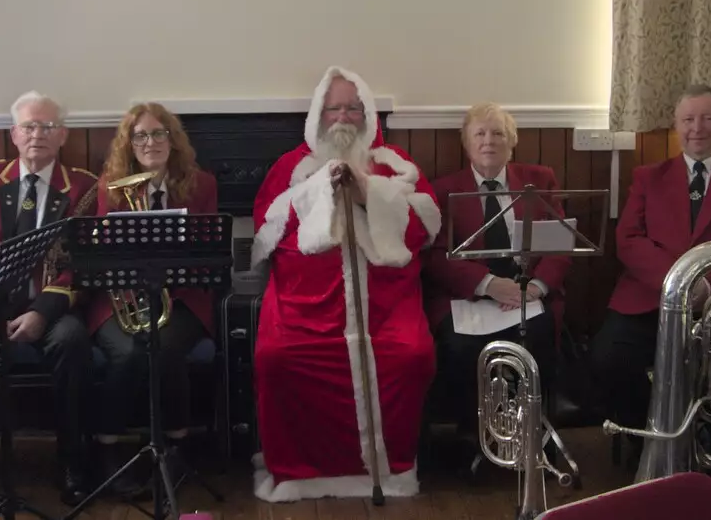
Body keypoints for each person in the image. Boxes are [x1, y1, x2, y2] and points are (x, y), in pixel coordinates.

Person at [250, 66, 441, 502]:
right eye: (333, 107)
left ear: (368, 114)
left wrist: (366, 194)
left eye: (353, 108)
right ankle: (298, 472)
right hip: (305, 306)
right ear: (318, 114)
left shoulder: (395, 164)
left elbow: (423, 227)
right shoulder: (290, 168)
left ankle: (392, 469)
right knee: (276, 359)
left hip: (386, 306)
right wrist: (321, 192)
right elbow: (269, 234)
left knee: (411, 356)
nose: (343, 117)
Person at [592, 84, 711, 465]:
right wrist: (678, 284)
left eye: (708, 118)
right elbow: (627, 239)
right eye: (688, 119)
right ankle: (649, 440)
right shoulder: (649, 176)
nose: (698, 128)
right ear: (676, 125)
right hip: (649, 300)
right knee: (606, 361)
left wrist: (708, 283)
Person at [0, 91, 97, 511]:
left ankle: (72, 462)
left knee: (73, 342)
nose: (37, 135)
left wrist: (42, 314)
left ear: (62, 135)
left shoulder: (83, 187)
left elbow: (83, 263)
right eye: (29, 126)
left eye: (47, 127)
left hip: (49, 308)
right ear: (13, 133)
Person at [84, 102, 219, 495]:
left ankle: (176, 447)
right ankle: (107, 450)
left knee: (166, 347)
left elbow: (209, 252)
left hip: (184, 296)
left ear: (172, 140)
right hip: (121, 297)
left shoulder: (202, 185)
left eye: (159, 133)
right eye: (140, 135)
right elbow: (103, 257)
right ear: (129, 144)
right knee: (126, 353)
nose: (150, 142)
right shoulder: (110, 186)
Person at [423, 103, 568, 453]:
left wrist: (534, 287)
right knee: (459, 347)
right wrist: (488, 284)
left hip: (527, 295)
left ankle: (531, 429)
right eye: (480, 133)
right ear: (466, 143)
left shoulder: (540, 180)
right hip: (468, 297)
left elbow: (561, 243)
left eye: (498, 133)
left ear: (512, 141)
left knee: (538, 334)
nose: (489, 141)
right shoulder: (443, 190)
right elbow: (434, 255)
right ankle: (474, 434)